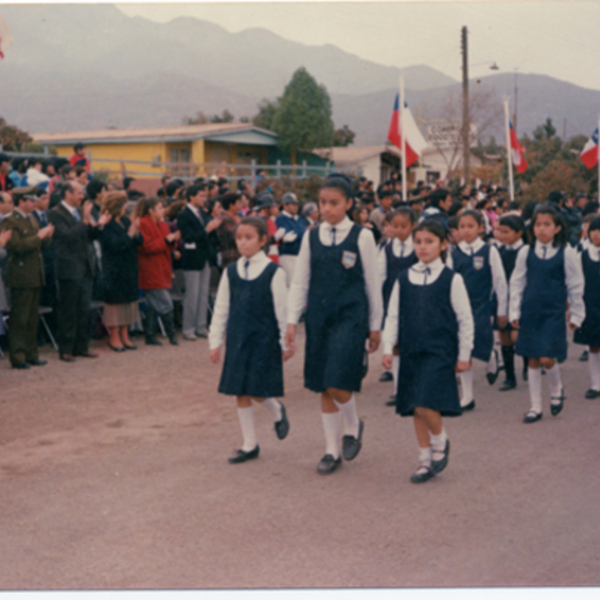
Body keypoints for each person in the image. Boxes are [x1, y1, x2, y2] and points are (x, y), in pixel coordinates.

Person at [286, 175, 382, 475]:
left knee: (337, 379)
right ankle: (331, 450)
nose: (326, 209)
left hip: (351, 317)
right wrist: (291, 320)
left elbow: (372, 282)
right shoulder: (310, 236)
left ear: (349, 204)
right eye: (323, 203)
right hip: (319, 317)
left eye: (334, 203)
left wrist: (375, 324)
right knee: (323, 385)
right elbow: (300, 280)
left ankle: (352, 423)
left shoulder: (362, 235)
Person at [382, 218, 473, 483]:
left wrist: (464, 355)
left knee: (425, 401)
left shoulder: (451, 278)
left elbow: (464, 319)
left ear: (443, 244)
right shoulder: (404, 277)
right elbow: (393, 315)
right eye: (418, 241)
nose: (422, 247)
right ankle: (425, 459)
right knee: (415, 407)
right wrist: (388, 347)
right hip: (411, 350)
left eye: (429, 242)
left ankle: (440, 440)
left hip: (439, 350)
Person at [210, 217, 292, 463]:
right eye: (239, 238)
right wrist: (215, 341)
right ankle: (249, 444)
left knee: (257, 388)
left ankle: (276, 409)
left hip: (263, 338)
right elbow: (221, 307)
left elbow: (282, 311)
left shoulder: (273, 272)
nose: (243, 243)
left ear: (263, 240)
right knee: (240, 391)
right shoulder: (231, 271)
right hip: (238, 337)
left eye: (249, 238)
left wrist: (284, 343)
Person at [509, 205, 585, 423]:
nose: (542, 229)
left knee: (546, 357)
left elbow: (575, 284)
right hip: (531, 311)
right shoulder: (526, 252)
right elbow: (517, 282)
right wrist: (514, 310)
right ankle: (535, 406)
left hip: (553, 313)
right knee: (532, 358)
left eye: (547, 225)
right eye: (538, 225)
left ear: (557, 228)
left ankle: (556, 387)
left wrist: (577, 314)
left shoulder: (567, 253)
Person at [447, 210, 507, 411]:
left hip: (482, 304)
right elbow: (446, 281)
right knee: (464, 348)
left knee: (481, 338)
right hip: (459, 307)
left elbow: (499, 281)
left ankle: (491, 356)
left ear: (481, 228)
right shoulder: (454, 252)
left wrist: (503, 309)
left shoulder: (490, 251)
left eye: (470, 226)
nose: (466, 230)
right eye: (462, 227)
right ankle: (467, 396)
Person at [48, 182, 101, 362]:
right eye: (79, 193)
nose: (82, 196)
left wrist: (97, 226)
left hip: (85, 265)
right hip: (68, 267)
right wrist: (85, 221)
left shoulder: (79, 212)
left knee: (83, 309)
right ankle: (66, 349)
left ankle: (82, 346)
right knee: (68, 310)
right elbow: (67, 236)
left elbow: (88, 237)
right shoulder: (56, 212)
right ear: (68, 194)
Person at [2, 191, 54, 368]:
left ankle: (31, 353)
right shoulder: (10, 221)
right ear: (21, 201)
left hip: (34, 272)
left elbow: (40, 246)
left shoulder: (31, 219)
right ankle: (18, 356)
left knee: (32, 318)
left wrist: (47, 236)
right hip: (21, 273)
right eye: (30, 200)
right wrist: (38, 236)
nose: (34, 203)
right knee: (20, 318)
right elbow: (16, 247)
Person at [378, 207, 418, 405]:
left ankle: (416, 385)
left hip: (416, 300)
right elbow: (380, 276)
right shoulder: (386, 248)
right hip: (392, 302)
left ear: (413, 226)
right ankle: (398, 388)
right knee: (394, 344)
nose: (400, 230)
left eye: (404, 226)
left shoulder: (419, 246)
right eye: (395, 226)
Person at [98, 191, 142, 351]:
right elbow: (113, 245)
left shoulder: (124, 220)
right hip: (114, 269)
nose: (125, 207)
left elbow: (138, 241)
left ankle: (125, 334)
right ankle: (114, 336)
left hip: (129, 267)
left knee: (128, 302)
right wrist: (129, 234)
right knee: (115, 303)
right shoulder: (107, 224)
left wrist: (136, 231)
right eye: (123, 204)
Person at [136, 197, 181, 346]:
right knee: (165, 302)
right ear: (151, 210)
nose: (163, 210)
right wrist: (168, 241)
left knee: (152, 303)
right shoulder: (143, 223)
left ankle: (150, 335)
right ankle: (171, 335)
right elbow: (146, 247)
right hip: (150, 267)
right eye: (160, 207)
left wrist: (172, 242)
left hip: (162, 266)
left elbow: (166, 245)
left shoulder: (162, 224)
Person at [495, 214, 527, 390]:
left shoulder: (526, 251)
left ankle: (528, 365)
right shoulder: (499, 251)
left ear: (519, 233)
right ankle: (509, 375)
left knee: (518, 335)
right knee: (504, 336)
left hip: (520, 298)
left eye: (506, 232)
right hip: (502, 298)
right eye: (500, 231)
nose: (502, 235)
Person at [177, 183, 212, 340]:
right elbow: (188, 236)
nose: (204, 199)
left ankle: (201, 326)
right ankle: (188, 328)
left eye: (205, 196)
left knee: (203, 294)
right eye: (201, 196)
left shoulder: (203, 214)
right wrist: (206, 230)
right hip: (191, 258)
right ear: (191, 197)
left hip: (204, 257)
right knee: (192, 295)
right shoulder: (184, 215)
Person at [573, 216, 600, 398]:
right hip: (590, 305)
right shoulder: (581, 255)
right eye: (593, 231)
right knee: (594, 346)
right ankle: (596, 383)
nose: (597, 235)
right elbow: (575, 283)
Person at [275, 192, 306, 286]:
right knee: (291, 284)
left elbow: (300, 232)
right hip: (288, 255)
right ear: (285, 206)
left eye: (296, 204)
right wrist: (303, 232)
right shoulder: (281, 218)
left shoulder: (299, 218)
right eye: (292, 204)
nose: (296, 206)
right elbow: (291, 234)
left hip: (300, 255)